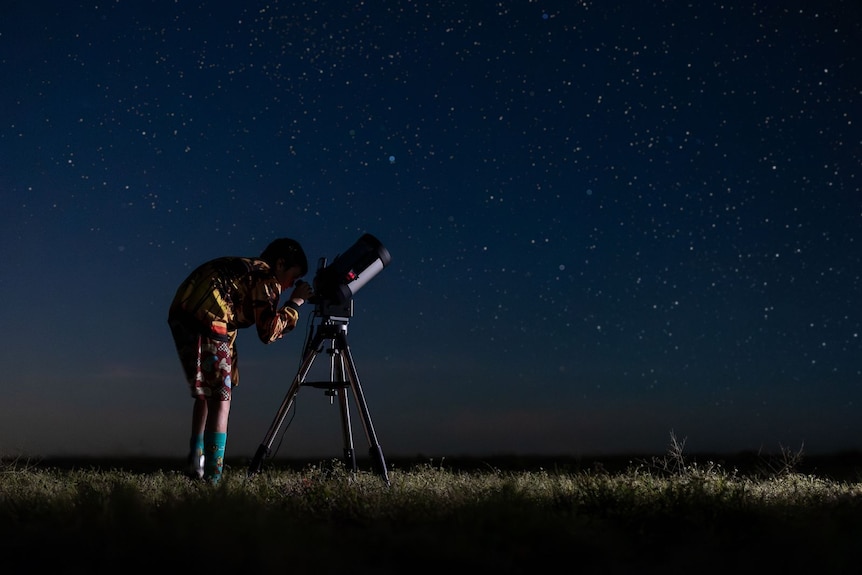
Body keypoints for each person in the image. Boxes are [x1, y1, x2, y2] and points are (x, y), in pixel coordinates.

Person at [167, 238, 314, 484]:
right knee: (221, 398)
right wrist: (294, 304)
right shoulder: (266, 277)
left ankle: (196, 461)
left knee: (207, 391)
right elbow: (268, 331)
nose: (289, 285)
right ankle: (212, 477)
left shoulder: (247, 268)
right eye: (292, 276)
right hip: (209, 316)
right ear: (280, 264)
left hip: (184, 312)